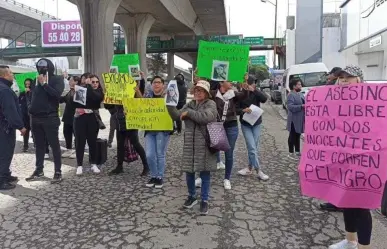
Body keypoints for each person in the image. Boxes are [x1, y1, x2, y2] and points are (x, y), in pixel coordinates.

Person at [328, 65, 371, 249]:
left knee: (361, 204)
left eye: (349, 77)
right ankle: (350, 240)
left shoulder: (372, 101)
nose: (344, 80)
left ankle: (364, 246)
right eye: (341, 77)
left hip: (365, 162)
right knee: (345, 200)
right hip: (343, 160)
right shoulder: (334, 101)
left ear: (359, 80)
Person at [167, 80, 218, 215]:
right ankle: (192, 196)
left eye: (200, 90)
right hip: (190, 144)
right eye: (196, 90)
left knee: (205, 173)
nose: (197, 92)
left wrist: (189, 113)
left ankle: (204, 200)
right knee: (189, 172)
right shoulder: (190, 104)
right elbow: (177, 116)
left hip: (205, 145)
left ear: (206, 93)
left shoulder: (211, 104)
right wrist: (170, 103)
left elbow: (206, 117)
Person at [196, 78, 248, 190]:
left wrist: (245, 86)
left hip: (231, 126)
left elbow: (243, 95)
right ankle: (202, 177)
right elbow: (202, 92)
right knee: (211, 152)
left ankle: (227, 179)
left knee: (229, 153)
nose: (231, 82)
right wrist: (198, 80)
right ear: (221, 83)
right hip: (216, 125)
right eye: (228, 81)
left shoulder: (233, 94)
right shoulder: (214, 94)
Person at [26, 58, 64, 183]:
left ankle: (58, 171)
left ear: (49, 67)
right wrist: (30, 108)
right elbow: (32, 96)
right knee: (39, 146)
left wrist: (44, 84)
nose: (41, 69)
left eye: (44, 66)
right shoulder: (34, 80)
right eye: (39, 66)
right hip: (35, 118)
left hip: (50, 117)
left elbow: (56, 95)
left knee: (54, 145)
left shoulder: (57, 79)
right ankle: (39, 169)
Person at [105, 73, 149, 176]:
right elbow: (107, 105)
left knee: (135, 143)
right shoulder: (117, 90)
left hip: (131, 119)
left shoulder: (134, 89)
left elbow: (141, 102)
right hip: (119, 119)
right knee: (120, 144)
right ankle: (119, 166)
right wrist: (108, 92)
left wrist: (137, 88)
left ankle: (146, 166)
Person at [237, 76, 269, 180]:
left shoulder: (255, 92)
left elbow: (264, 99)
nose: (246, 85)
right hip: (245, 123)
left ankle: (249, 167)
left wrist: (254, 90)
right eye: (244, 84)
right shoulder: (239, 94)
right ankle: (259, 170)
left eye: (250, 84)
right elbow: (236, 109)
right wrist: (243, 110)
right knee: (251, 147)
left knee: (254, 147)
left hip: (256, 123)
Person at [0, 65, 26, 190]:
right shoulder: (4, 90)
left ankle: (5, 174)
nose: (13, 75)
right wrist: (20, 126)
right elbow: (10, 110)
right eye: (10, 73)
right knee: (5, 152)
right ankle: (2, 180)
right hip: (4, 127)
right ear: (4, 75)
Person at [71, 75, 104, 175]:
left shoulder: (99, 92)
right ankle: (79, 165)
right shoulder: (81, 90)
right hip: (80, 118)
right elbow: (74, 103)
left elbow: (95, 98)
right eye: (92, 82)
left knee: (92, 142)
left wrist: (89, 86)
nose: (94, 84)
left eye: (96, 82)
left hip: (92, 118)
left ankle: (93, 164)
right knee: (80, 142)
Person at [144, 76, 170, 189]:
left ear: (163, 85)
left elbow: (174, 111)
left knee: (160, 154)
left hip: (163, 130)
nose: (156, 84)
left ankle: (159, 177)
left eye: (159, 82)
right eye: (154, 82)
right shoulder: (147, 96)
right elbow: (140, 109)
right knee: (149, 155)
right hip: (150, 129)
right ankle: (153, 175)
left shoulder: (168, 96)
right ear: (151, 84)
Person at [60, 76, 79, 158]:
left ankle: (77, 150)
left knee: (76, 134)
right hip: (67, 116)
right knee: (67, 133)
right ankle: (69, 149)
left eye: (71, 80)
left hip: (76, 116)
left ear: (76, 82)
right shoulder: (69, 91)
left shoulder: (79, 91)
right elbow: (63, 99)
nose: (69, 82)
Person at [286, 78, 305, 160]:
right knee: (292, 135)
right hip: (293, 119)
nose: (300, 86)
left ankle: (297, 151)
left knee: (298, 135)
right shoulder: (291, 95)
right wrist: (301, 107)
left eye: (300, 84)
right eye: (299, 84)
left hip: (300, 118)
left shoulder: (300, 94)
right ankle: (291, 152)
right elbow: (290, 107)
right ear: (294, 86)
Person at [19, 78, 33, 152]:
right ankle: (25, 146)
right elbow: (18, 101)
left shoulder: (34, 93)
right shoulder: (22, 93)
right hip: (24, 115)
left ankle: (36, 145)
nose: (27, 85)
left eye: (29, 84)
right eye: (26, 84)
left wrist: (30, 93)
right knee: (26, 131)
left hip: (32, 115)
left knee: (34, 131)